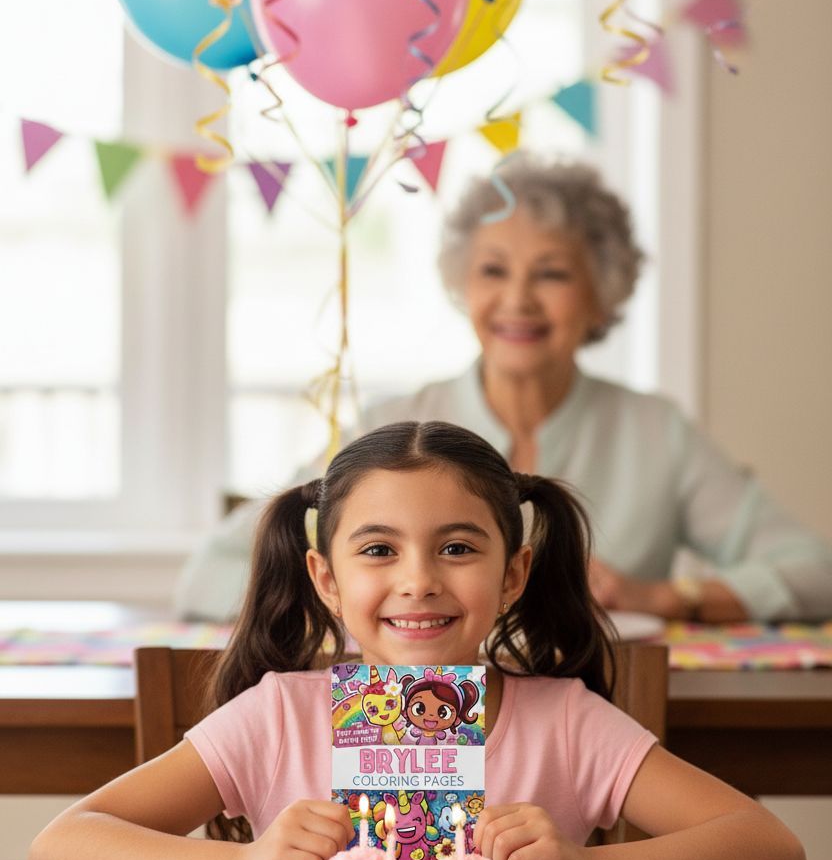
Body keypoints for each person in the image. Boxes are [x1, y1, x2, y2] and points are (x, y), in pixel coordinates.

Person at [28, 421, 805, 860]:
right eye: (378, 550)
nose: (419, 580)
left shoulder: (566, 721)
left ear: (514, 574)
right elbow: (61, 846)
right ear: (326, 579)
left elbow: (770, 846)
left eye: (458, 548)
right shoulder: (280, 715)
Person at [174, 154, 832, 626]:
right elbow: (212, 570)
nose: (518, 300)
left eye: (551, 273)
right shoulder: (395, 427)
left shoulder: (656, 433)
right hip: (417, 750)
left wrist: (665, 598)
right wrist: (363, 603)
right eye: (493, 270)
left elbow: (812, 569)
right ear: (464, 285)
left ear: (603, 292)